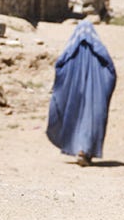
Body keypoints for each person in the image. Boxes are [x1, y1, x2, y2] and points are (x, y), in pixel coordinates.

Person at [45, 20, 116, 166]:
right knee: (91, 121)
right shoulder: (99, 50)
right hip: (95, 96)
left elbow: (59, 65)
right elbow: (111, 71)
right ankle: (86, 151)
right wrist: (103, 86)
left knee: (75, 119)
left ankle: (79, 149)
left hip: (74, 95)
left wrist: (63, 82)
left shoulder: (71, 49)